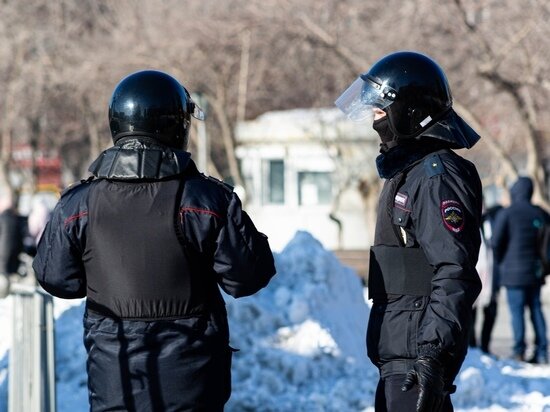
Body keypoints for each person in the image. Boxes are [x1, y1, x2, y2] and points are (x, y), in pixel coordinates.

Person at [33, 70, 277, 411]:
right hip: (193, 379)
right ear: (176, 125)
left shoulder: (78, 204)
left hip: (116, 378)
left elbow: (57, 279)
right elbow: (248, 276)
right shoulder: (207, 200)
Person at [336, 51, 482, 412]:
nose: (374, 120)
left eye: (381, 111)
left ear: (411, 114)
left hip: (417, 357)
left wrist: (433, 354)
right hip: (400, 353)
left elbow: (454, 271)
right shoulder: (410, 173)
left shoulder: (437, 177)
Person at [492, 176, 549, 364]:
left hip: (512, 273)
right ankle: (542, 351)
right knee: (536, 309)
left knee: (517, 313)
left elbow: (495, 242)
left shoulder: (507, 213)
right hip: (535, 271)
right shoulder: (540, 213)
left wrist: (501, 263)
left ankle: (519, 351)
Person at [470, 204, 502, 355]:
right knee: (471, 312)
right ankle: (472, 345)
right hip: (472, 272)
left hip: (491, 274)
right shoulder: (468, 218)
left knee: (491, 310)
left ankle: (485, 345)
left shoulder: (492, 220)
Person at [0, 190, 25, 298]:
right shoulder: (15, 218)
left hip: (3, 257)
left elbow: (5, 241)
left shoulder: (3, 218)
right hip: (12, 256)